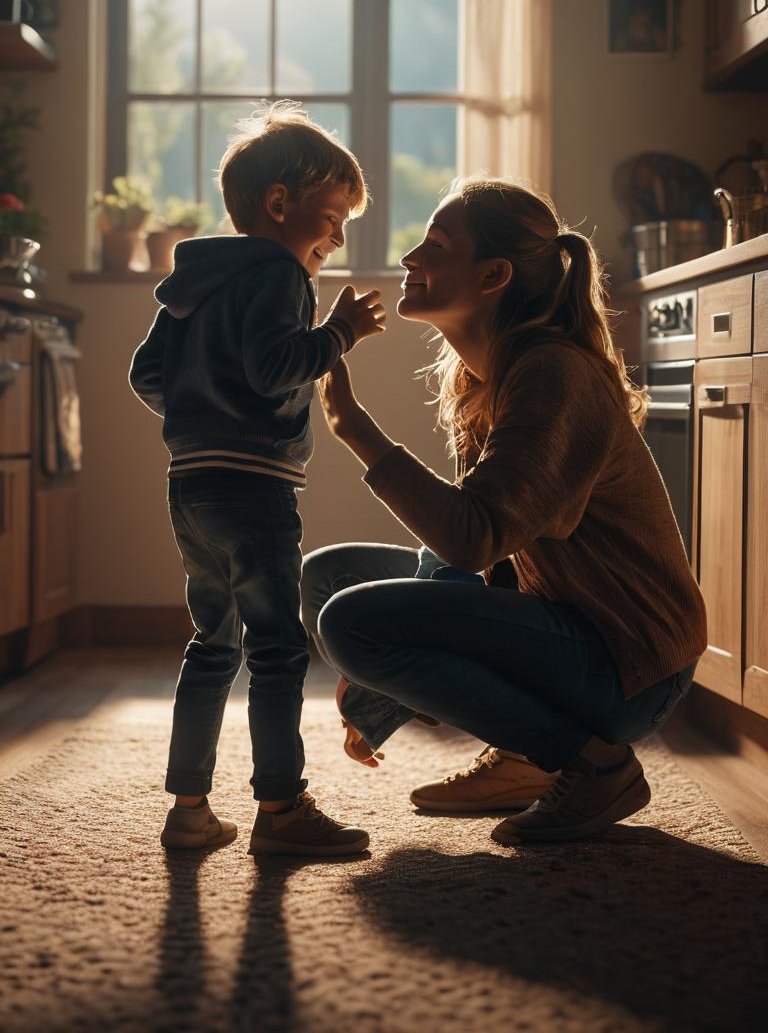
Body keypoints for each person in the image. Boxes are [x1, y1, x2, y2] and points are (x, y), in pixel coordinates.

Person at [301, 176, 707, 844]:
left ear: (493, 275)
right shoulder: (483, 375)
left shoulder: (553, 375)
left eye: (434, 245)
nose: (409, 260)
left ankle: (594, 763)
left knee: (349, 621)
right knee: (328, 578)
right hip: (564, 621)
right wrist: (388, 674)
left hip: (628, 660)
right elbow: (486, 558)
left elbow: (473, 540)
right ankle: (528, 759)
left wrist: (354, 427)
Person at [129, 102, 386, 856]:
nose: (337, 237)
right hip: (255, 489)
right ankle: (281, 812)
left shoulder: (194, 280)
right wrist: (340, 334)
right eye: (334, 218)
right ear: (281, 204)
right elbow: (277, 369)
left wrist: (198, 417)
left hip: (192, 486)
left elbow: (148, 374)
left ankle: (188, 810)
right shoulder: (280, 273)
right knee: (276, 650)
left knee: (211, 645)